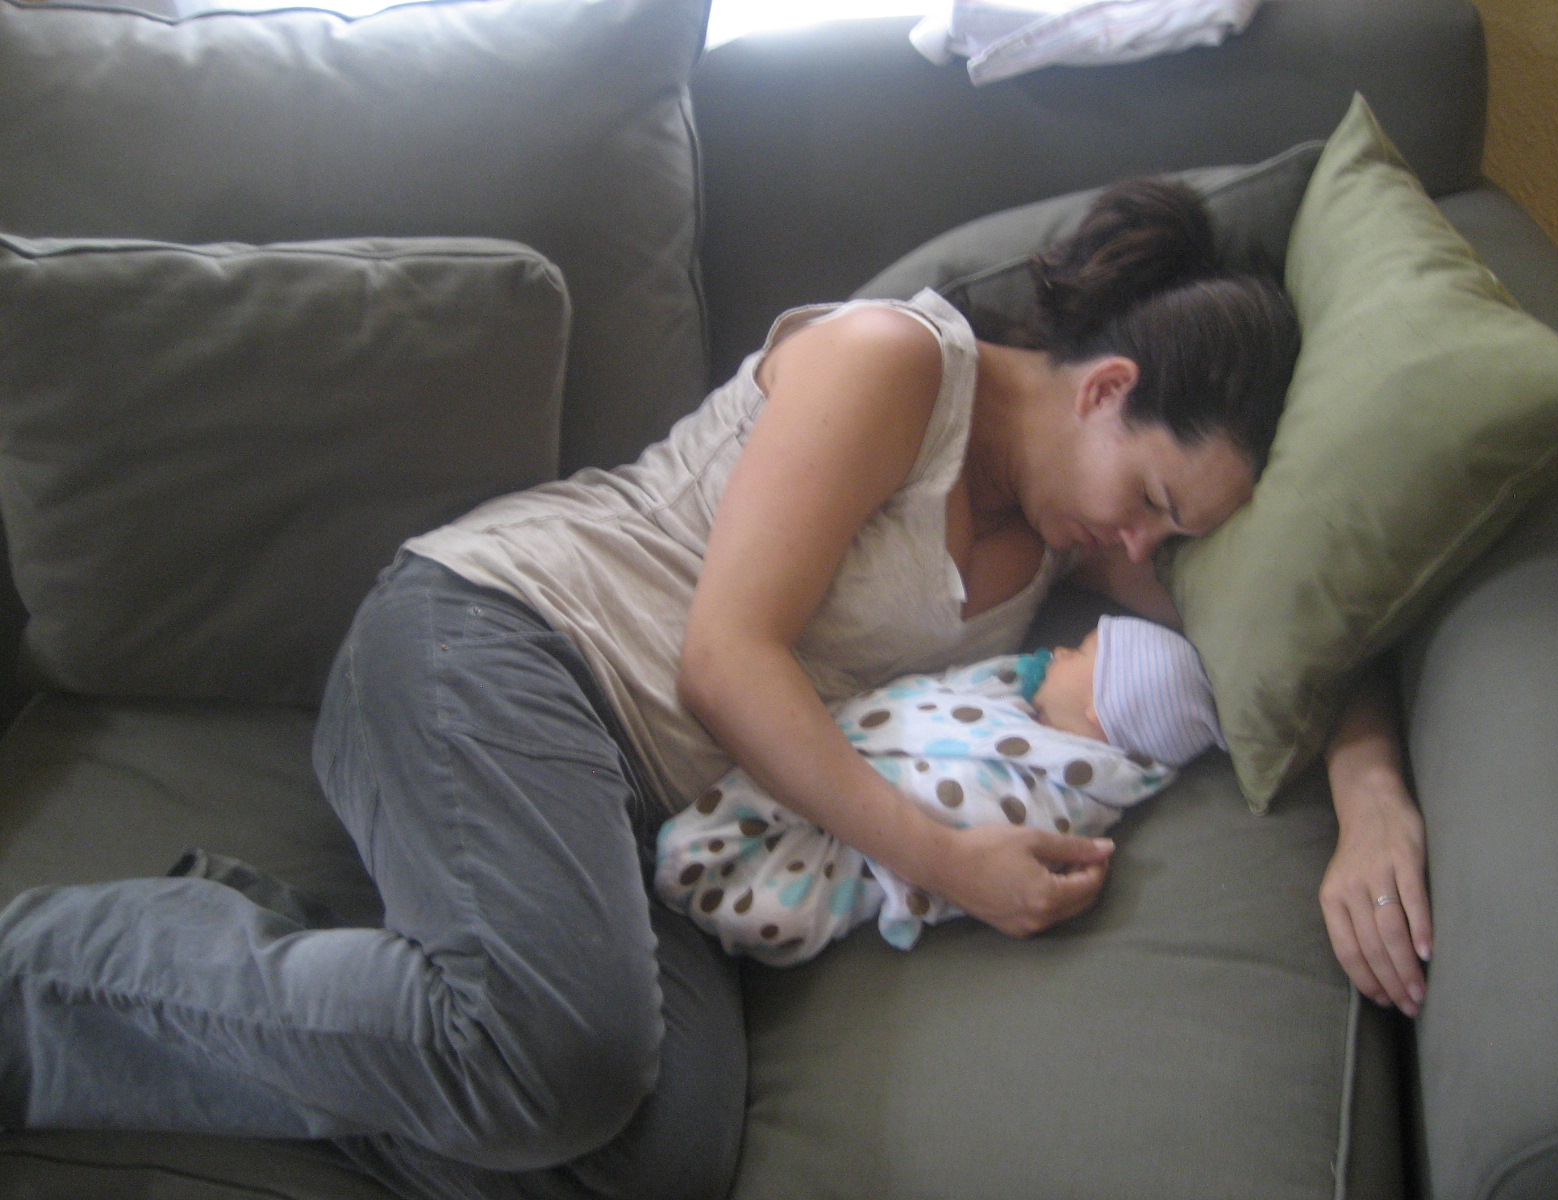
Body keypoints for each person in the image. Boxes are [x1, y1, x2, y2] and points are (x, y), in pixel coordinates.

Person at [0, 176, 1429, 1200]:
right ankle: (39, 980)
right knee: (557, 1063)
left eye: (1175, 541)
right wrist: (944, 860)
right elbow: (724, 660)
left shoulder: (1077, 528)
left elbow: (1277, 637)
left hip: (638, 802)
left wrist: (1370, 802)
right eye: (1154, 504)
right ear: (1108, 388)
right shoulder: (895, 364)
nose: (1142, 552)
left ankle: (320, 960)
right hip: (499, 644)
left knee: (653, 1159)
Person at [656, 614, 1223, 966]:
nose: (1060, 652)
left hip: (848, 853)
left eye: (1082, 651)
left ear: (1101, 709)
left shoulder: (1067, 798)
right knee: (761, 798)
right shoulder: (1017, 707)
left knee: (764, 897)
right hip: (828, 775)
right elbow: (945, 695)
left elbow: (964, 803)